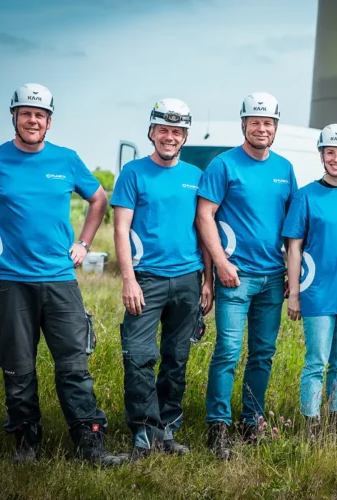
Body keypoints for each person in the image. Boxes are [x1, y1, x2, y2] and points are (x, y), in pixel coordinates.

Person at [0, 83, 124, 465]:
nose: (33, 120)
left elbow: (98, 198)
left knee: (74, 366)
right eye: (26, 114)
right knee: (18, 367)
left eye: (40, 115)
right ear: (14, 117)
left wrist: (84, 243)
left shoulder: (67, 160)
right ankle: (27, 441)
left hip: (60, 279)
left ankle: (90, 444)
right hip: (11, 281)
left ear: (49, 121)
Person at [196, 92, 297, 460]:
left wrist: (293, 273)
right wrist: (220, 264)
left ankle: (252, 422)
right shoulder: (223, 165)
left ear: (275, 127)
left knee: (263, 355)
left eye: (268, 123)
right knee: (227, 351)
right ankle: (218, 426)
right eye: (255, 122)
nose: (262, 128)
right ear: (244, 124)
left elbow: (293, 227)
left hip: (273, 278)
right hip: (235, 278)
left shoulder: (285, 169)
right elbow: (204, 216)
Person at [111, 98, 214, 460]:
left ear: (184, 136)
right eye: (164, 130)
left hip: (188, 279)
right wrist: (128, 279)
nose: (170, 137)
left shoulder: (195, 177)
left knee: (176, 358)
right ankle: (143, 433)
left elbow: (203, 229)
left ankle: (167, 430)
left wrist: (208, 281)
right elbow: (120, 229)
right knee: (139, 357)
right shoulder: (133, 173)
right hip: (146, 279)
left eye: (177, 131)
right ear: (152, 132)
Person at [282, 124, 337, 439]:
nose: (336, 159)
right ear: (322, 155)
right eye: (330, 152)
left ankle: (335, 423)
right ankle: (312, 425)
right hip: (318, 293)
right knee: (316, 362)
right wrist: (295, 294)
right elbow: (294, 248)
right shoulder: (306, 195)